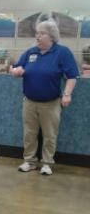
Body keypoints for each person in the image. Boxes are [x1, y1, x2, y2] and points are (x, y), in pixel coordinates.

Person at [10, 20, 79, 175]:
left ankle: (47, 163)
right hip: (29, 102)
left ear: (52, 36)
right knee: (29, 134)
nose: (38, 36)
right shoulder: (31, 52)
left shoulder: (62, 52)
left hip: (51, 103)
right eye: (37, 33)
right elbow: (15, 67)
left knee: (49, 135)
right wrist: (15, 71)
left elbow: (72, 76)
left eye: (42, 33)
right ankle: (29, 161)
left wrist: (67, 94)